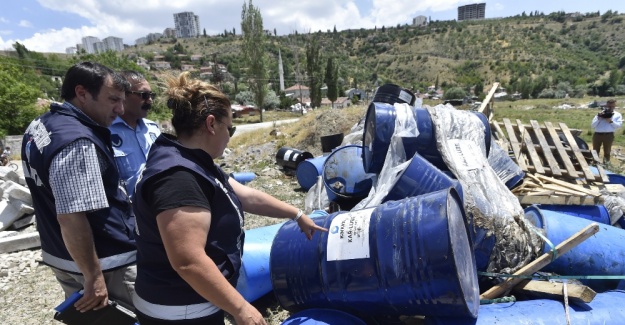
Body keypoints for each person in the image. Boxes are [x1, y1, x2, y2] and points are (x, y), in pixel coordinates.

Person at [132, 71, 327, 325]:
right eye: (230, 128)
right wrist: (240, 308)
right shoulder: (179, 178)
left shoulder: (191, 159)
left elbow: (244, 194)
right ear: (211, 124)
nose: (229, 136)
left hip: (195, 300)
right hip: (181, 310)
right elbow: (188, 261)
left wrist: (297, 214)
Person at [21, 62, 137, 312]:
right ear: (82, 93)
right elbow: (71, 216)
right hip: (105, 262)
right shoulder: (77, 142)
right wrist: (93, 276)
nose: (120, 109)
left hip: (62, 255)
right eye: (113, 99)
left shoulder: (40, 125)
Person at [109, 70, 161, 199]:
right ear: (123, 96)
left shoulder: (153, 129)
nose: (150, 101)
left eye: (151, 95)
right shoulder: (105, 132)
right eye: (144, 95)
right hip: (129, 215)